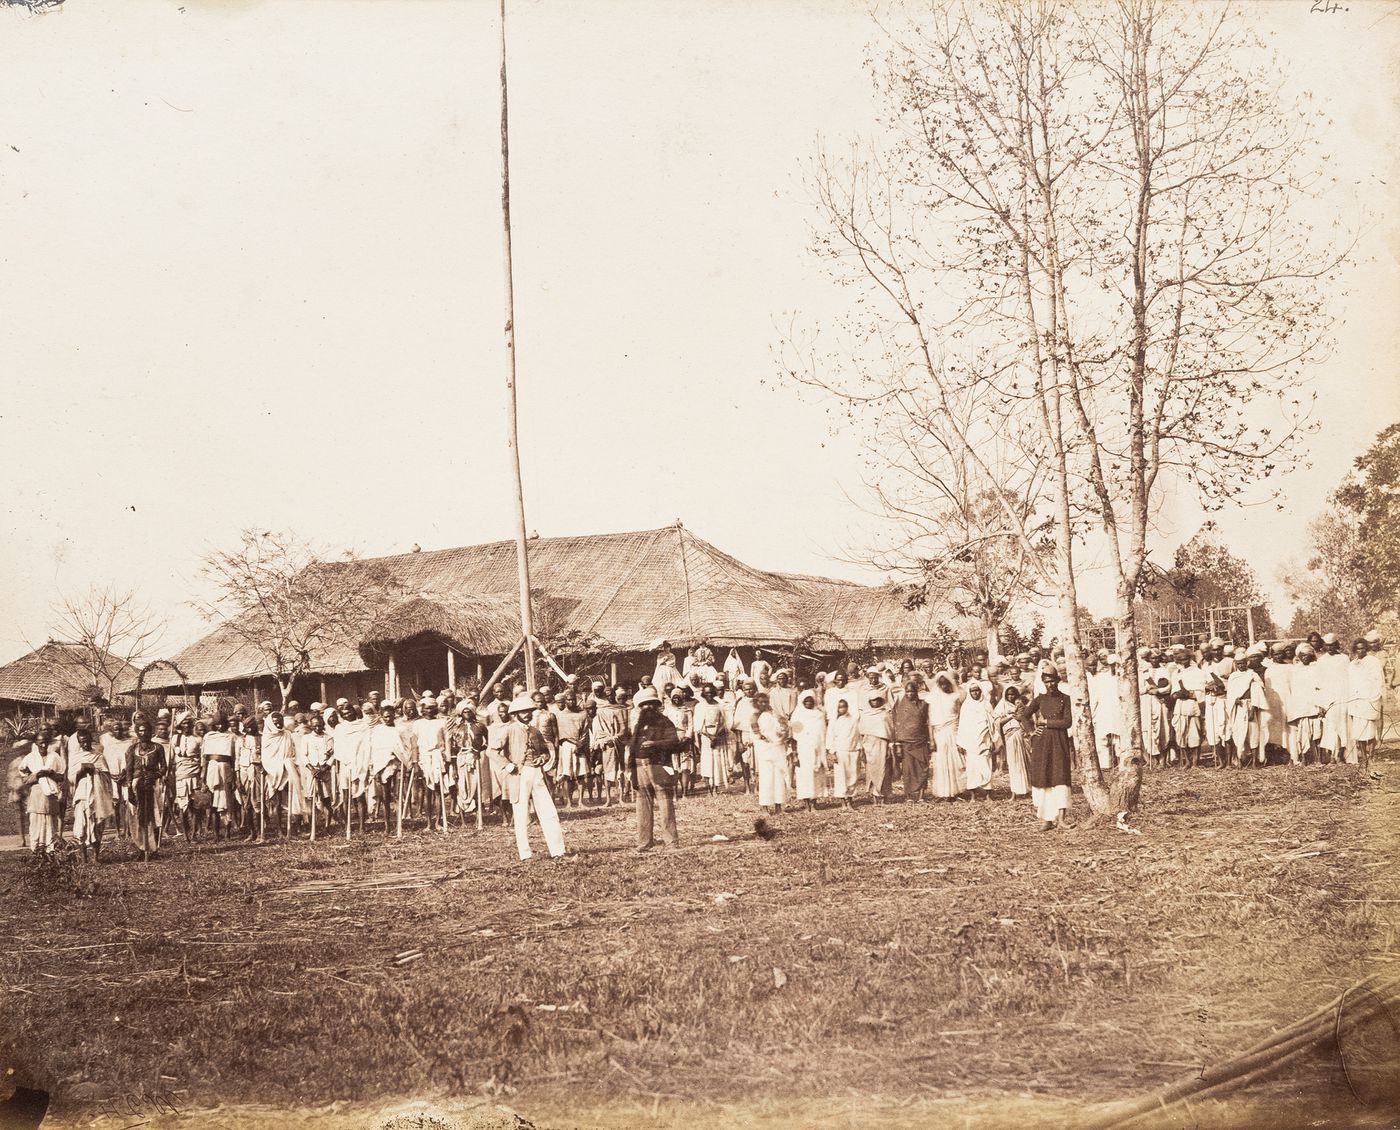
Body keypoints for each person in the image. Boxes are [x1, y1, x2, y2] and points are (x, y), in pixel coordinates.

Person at [503, 695, 568, 861]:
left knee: (549, 811)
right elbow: (493, 750)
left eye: (529, 711)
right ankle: (525, 854)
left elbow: (545, 751)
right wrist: (507, 764)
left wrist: (543, 758)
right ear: (515, 714)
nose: (526, 714)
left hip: (536, 773)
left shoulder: (535, 731)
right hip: (519, 773)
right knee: (521, 814)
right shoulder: (510, 729)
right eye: (522, 712)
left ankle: (558, 851)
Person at [1020, 669, 1073, 830]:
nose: (1050, 685)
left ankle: (1062, 819)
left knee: (1060, 776)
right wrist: (1031, 731)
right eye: (1047, 682)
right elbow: (1024, 716)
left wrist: (1046, 723)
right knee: (1044, 777)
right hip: (1042, 743)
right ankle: (1047, 819)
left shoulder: (1065, 699)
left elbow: (1067, 722)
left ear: (1058, 680)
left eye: (1052, 681)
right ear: (1043, 683)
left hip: (1059, 742)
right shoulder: (1040, 699)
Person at [630, 686, 682, 850]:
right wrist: (632, 774)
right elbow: (632, 749)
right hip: (640, 767)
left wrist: (655, 744)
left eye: (651, 704)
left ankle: (671, 841)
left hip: (659, 765)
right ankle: (644, 842)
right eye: (644, 705)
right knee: (643, 807)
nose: (647, 708)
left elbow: (674, 742)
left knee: (665, 804)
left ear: (656, 704)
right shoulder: (638, 725)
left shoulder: (665, 722)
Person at [123, 717, 167, 859]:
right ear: (137, 733)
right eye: (140, 731)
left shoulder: (158, 748)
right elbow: (129, 770)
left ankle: (154, 850)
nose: (143, 734)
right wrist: (130, 789)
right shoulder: (132, 749)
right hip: (136, 786)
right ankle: (142, 849)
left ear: (150, 732)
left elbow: (164, 767)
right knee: (137, 818)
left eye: (146, 731)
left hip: (153, 786)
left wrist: (155, 775)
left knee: (153, 816)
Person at [20, 730, 66, 856]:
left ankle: (50, 851)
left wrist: (50, 773)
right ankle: (36, 850)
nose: (44, 746)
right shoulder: (30, 758)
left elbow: (61, 776)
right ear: (36, 743)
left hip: (51, 795)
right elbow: (24, 776)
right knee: (35, 822)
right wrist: (36, 776)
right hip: (37, 794)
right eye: (41, 743)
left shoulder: (55, 757)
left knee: (50, 823)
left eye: (46, 743)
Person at [891, 679, 931, 803]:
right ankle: (909, 796)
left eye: (912, 691)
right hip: (906, 743)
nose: (909, 694)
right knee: (908, 770)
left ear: (916, 692)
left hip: (921, 741)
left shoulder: (923, 705)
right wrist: (897, 744)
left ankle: (921, 796)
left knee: (922, 768)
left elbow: (927, 722)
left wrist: (930, 740)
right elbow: (897, 725)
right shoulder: (900, 705)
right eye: (907, 691)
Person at [1348, 638, 1384, 773]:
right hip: (1357, 700)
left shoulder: (1373, 662)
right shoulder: (1352, 664)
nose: (1360, 650)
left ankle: (1371, 755)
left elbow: (1378, 680)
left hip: (1369, 698)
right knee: (1359, 731)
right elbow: (1351, 683)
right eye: (1358, 648)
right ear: (1354, 650)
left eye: (1363, 648)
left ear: (1366, 648)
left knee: (1369, 730)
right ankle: (1363, 756)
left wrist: (1375, 696)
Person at [1224, 655, 1267, 768]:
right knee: (1238, 732)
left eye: (1243, 663)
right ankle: (1239, 760)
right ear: (1235, 664)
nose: (1241, 665)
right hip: (1238, 707)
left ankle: (1254, 761)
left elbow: (1258, 692)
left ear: (1246, 662)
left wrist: (1253, 708)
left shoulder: (1252, 675)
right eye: (1238, 663)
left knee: (1253, 733)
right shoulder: (1233, 676)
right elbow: (1231, 693)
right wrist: (1235, 700)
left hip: (1250, 705)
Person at [750, 691, 789, 816]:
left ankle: (779, 806)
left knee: (778, 777)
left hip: (777, 747)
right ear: (756, 703)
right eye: (761, 702)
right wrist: (764, 738)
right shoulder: (754, 717)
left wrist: (781, 734)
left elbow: (782, 725)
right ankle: (765, 807)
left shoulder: (773, 714)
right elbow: (755, 734)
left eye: (766, 701)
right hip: (764, 748)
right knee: (766, 777)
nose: (763, 704)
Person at [200, 715, 237, 841]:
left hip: (226, 769)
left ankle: (227, 832)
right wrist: (203, 778)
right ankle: (216, 834)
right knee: (212, 803)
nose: (220, 726)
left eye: (222, 724)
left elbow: (235, 759)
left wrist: (235, 777)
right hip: (211, 769)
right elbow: (204, 759)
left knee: (227, 801)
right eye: (217, 724)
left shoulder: (231, 736)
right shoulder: (208, 737)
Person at [926, 674, 963, 801]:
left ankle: (954, 792)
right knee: (940, 762)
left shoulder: (954, 697)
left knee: (952, 761)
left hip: (952, 731)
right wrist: (931, 739)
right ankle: (942, 792)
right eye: (941, 684)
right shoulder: (934, 698)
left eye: (946, 683)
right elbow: (930, 720)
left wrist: (959, 735)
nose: (944, 686)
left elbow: (959, 716)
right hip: (938, 733)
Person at [1316, 633, 1351, 764]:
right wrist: (1320, 703)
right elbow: (1318, 683)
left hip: (1342, 695)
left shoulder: (1344, 658)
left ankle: (1341, 755)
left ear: (1336, 645)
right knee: (1329, 726)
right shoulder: (1321, 661)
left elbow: (1348, 678)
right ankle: (1331, 756)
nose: (1329, 648)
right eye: (1327, 646)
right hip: (1327, 697)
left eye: (1332, 645)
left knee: (1342, 723)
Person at [790, 690, 826, 810]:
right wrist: (794, 754)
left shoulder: (819, 715)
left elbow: (822, 735)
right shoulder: (797, 715)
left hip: (816, 750)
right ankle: (806, 804)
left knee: (816, 775)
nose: (809, 702)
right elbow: (794, 737)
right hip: (803, 750)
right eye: (806, 700)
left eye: (811, 700)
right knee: (804, 776)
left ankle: (814, 803)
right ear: (802, 701)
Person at [957, 681, 993, 800]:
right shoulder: (966, 706)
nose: (975, 693)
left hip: (985, 739)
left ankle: (988, 794)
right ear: (969, 692)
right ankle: (973, 795)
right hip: (970, 741)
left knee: (986, 766)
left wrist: (993, 740)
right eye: (972, 691)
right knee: (972, 768)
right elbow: (962, 725)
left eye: (977, 690)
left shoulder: (986, 704)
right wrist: (960, 742)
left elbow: (992, 724)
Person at [859, 683, 893, 804]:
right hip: (869, 746)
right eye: (872, 700)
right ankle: (874, 796)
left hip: (882, 745)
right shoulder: (865, 715)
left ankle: (882, 796)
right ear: (869, 702)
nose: (875, 703)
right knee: (871, 771)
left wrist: (890, 747)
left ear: (881, 701)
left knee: (884, 770)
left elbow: (890, 732)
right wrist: (862, 748)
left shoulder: (886, 714)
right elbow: (862, 733)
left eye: (877, 700)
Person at [693, 682, 729, 795]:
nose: (709, 695)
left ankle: (716, 788)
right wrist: (710, 736)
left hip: (718, 735)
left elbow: (724, 722)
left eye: (710, 692)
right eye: (706, 693)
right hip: (706, 736)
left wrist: (717, 735)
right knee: (708, 761)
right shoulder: (699, 706)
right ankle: (709, 788)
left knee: (717, 761)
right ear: (703, 694)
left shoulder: (719, 705)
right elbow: (698, 726)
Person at [995, 685, 1030, 798]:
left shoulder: (1020, 705)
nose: (1010, 696)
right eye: (1008, 694)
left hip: (1019, 733)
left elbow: (1026, 718)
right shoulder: (1001, 706)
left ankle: (1026, 790)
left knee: (1023, 762)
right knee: (1013, 763)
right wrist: (1010, 716)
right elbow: (998, 722)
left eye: (1013, 694)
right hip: (1008, 736)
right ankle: (1014, 792)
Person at [826, 698, 861, 808]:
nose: (842, 709)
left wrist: (859, 749)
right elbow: (830, 737)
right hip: (840, 751)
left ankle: (850, 799)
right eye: (840, 707)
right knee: (841, 777)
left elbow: (858, 735)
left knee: (853, 776)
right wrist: (832, 752)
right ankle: (842, 801)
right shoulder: (834, 721)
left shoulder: (854, 720)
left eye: (844, 706)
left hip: (853, 750)